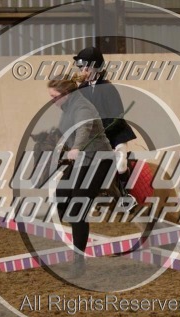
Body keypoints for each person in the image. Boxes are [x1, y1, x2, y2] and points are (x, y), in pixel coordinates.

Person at [47, 77, 113, 278]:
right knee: (60, 197)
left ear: (66, 95)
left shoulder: (82, 107)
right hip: (82, 160)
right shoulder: (66, 109)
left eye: (54, 97)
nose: (52, 101)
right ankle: (79, 229)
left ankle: (78, 260)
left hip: (98, 160)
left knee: (76, 209)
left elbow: (84, 130)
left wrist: (76, 147)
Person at [73, 47, 138, 208]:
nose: (83, 71)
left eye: (85, 67)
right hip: (95, 136)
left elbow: (117, 115)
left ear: (95, 67)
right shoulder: (81, 90)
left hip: (115, 133)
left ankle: (125, 194)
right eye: (81, 68)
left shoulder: (108, 88)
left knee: (121, 162)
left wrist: (103, 129)